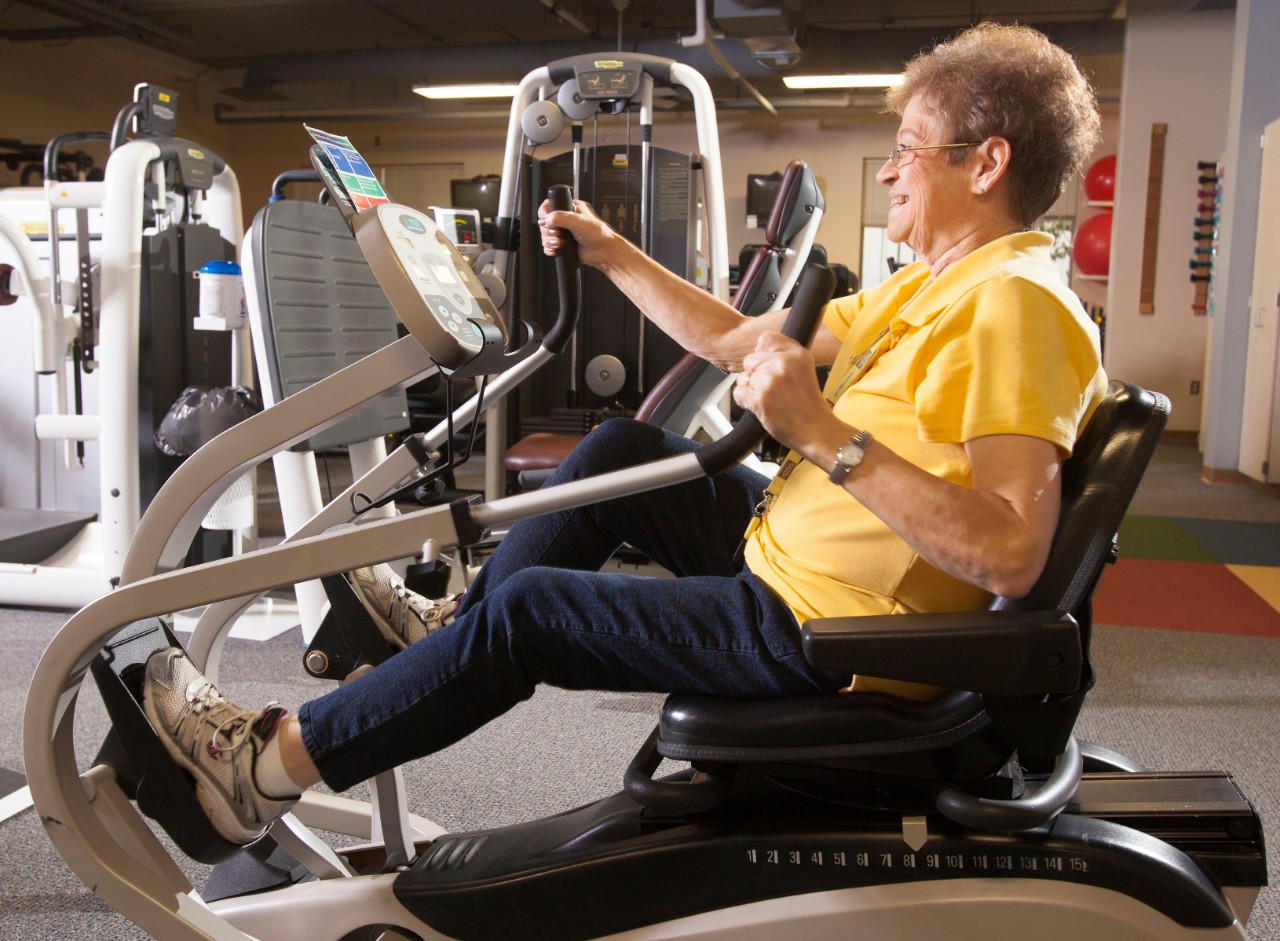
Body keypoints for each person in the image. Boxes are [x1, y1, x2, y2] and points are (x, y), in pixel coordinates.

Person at [143, 21, 1107, 845]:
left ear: (987, 163)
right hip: (790, 560)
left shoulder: (1016, 309)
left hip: (832, 633)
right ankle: (451, 630)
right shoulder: (931, 287)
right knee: (621, 454)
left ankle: (260, 772)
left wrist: (823, 436)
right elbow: (741, 341)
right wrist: (611, 255)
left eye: (911, 147)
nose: (892, 167)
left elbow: (1011, 554)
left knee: (537, 615)